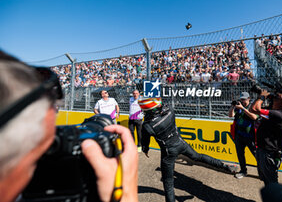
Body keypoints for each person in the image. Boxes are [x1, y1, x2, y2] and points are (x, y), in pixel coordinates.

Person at [0, 50, 138, 202]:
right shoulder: (98, 103)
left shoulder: (113, 100)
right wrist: (125, 196)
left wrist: (115, 116)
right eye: (45, 149)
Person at [138, 97, 237, 202]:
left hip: (168, 152)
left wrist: (145, 149)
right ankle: (226, 167)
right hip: (181, 143)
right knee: (198, 157)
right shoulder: (170, 110)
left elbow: (145, 142)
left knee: (168, 182)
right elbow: (162, 105)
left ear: (147, 111)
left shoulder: (147, 125)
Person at [250, 89, 282, 186]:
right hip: (262, 150)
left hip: (269, 153)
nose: (279, 94)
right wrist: (269, 97)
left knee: (272, 183)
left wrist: (262, 96)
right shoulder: (275, 112)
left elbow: (254, 109)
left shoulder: (281, 115)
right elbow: (254, 109)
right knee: (266, 180)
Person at [228, 92, 257, 179]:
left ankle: (264, 172)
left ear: (249, 99)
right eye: (241, 99)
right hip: (239, 135)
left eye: (244, 99)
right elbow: (230, 115)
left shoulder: (252, 107)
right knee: (240, 155)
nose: (242, 101)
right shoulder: (238, 107)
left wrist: (243, 108)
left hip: (250, 136)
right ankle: (243, 171)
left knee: (257, 155)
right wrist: (232, 107)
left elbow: (254, 117)